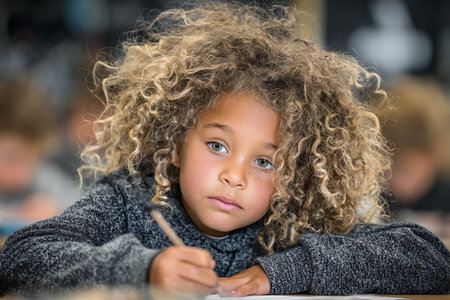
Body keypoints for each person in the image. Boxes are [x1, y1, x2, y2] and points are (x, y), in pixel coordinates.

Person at [0, 2, 449, 297]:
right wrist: (145, 268)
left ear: (295, 175)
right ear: (176, 144)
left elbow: (430, 259)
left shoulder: (292, 221)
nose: (235, 176)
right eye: (217, 145)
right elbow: (21, 255)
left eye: (264, 162)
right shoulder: (132, 202)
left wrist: (287, 272)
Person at [0, 78, 79, 239]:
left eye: (33, 161)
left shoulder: (44, 179)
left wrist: (57, 214)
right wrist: (16, 216)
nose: (23, 174)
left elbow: (81, 211)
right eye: (12, 158)